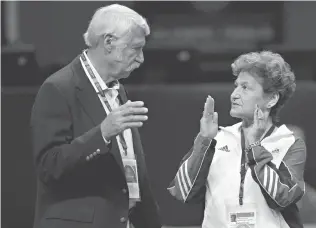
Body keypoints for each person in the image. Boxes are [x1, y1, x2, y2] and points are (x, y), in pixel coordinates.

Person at [30, 4, 161, 228]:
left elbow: (133, 170)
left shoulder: (117, 89)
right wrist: (102, 133)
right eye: (135, 49)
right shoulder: (59, 88)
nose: (140, 59)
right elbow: (48, 167)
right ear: (109, 43)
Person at [168, 51, 306, 228]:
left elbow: (282, 198)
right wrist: (204, 141)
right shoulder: (216, 138)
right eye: (236, 86)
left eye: (245, 87)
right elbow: (182, 192)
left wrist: (255, 146)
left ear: (271, 99)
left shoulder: (289, 142)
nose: (234, 94)